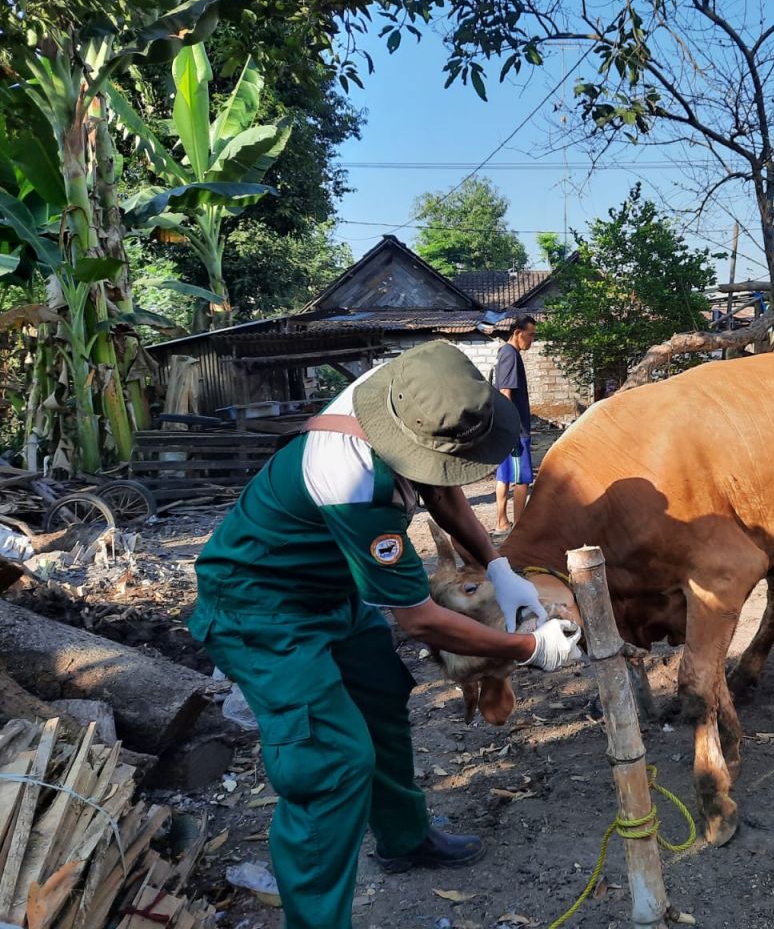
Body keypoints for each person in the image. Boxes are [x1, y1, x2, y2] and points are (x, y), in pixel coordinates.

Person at [191, 342, 584, 929]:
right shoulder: (349, 478)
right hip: (261, 607)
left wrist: (498, 568)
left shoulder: (407, 393)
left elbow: (441, 485)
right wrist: (528, 649)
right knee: (330, 762)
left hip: (331, 589)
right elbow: (419, 618)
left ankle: (404, 838)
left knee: (382, 697)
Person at [494, 315, 537, 532]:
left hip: (506, 428)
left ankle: (501, 521)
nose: (532, 340)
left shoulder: (505, 353)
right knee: (522, 479)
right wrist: (511, 427)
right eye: (530, 335)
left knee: (504, 476)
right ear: (518, 333)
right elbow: (505, 393)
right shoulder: (511, 355)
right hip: (516, 429)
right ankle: (519, 526)